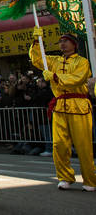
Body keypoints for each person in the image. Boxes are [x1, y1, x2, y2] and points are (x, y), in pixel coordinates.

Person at [29, 32, 96, 191]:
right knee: (59, 145)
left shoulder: (83, 62)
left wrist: (54, 76)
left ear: (74, 44)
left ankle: (90, 180)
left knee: (83, 145)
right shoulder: (54, 61)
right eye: (61, 41)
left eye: (66, 41)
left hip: (78, 105)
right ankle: (65, 177)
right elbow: (38, 59)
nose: (63, 44)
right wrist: (36, 41)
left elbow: (78, 79)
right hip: (59, 107)